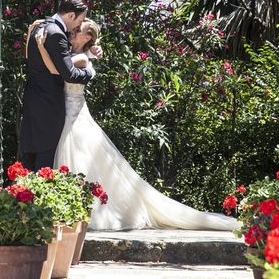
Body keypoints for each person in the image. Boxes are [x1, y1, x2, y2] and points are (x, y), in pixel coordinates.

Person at [34, 19, 239, 231]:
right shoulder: (77, 53)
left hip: (73, 114)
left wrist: (41, 46)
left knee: (78, 156)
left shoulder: (81, 59)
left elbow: (57, 69)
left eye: (79, 30)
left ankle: (79, 209)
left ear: (88, 37)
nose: (73, 31)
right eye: (75, 29)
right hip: (65, 111)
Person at [19, 0, 96, 171]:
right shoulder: (56, 34)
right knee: (45, 164)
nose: (78, 26)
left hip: (33, 101)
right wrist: (89, 72)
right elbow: (68, 74)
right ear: (70, 15)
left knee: (30, 162)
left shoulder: (40, 26)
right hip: (49, 107)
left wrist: (90, 50)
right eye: (80, 20)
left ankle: (24, 197)